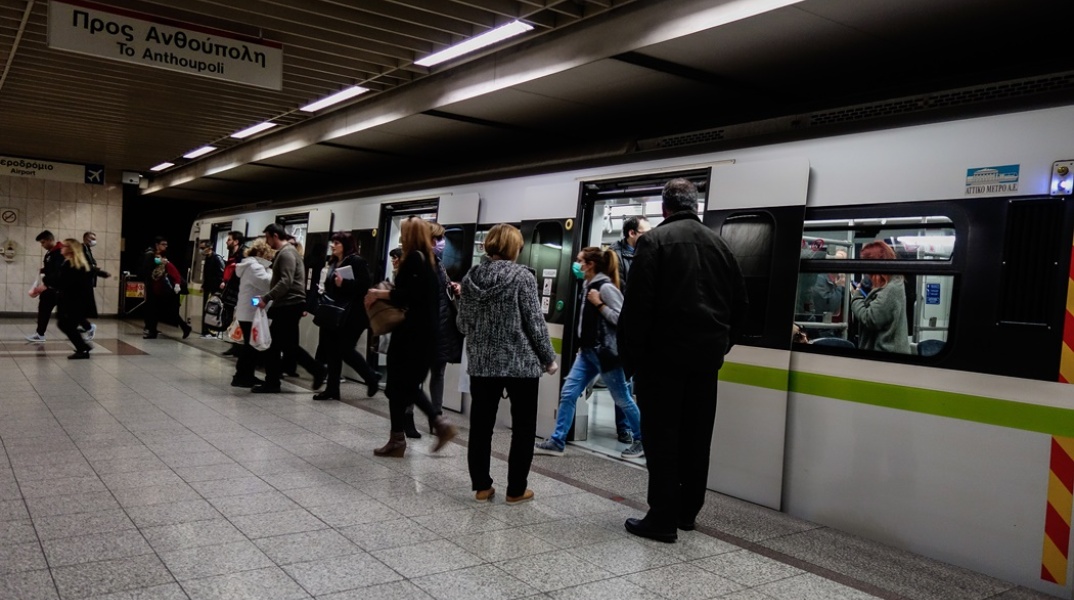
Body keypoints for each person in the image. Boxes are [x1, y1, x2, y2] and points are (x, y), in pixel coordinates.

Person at [617, 177, 748, 543]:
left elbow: (637, 308)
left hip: (662, 363)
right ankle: (687, 513)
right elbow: (742, 308)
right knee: (696, 438)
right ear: (695, 206)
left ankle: (661, 518)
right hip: (705, 364)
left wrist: (633, 360)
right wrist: (720, 346)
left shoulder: (653, 242)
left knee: (661, 439)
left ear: (664, 208)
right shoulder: (721, 246)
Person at [457, 224, 558, 505]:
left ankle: (481, 487)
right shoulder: (522, 277)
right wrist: (549, 358)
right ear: (514, 247)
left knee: (481, 427)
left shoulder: (471, 278)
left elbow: (463, 324)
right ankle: (515, 490)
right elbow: (535, 323)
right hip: (521, 366)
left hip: (483, 365)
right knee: (523, 428)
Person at [533, 246, 644, 460]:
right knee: (568, 393)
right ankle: (557, 441)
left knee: (622, 399)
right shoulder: (587, 285)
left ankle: (641, 440)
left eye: (580, 260)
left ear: (590, 264)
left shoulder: (606, 288)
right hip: (587, 353)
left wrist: (600, 304)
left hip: (607, 355)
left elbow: (623, 321)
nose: (577, 264)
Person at [364, 216, 457, 457]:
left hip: (411, 335)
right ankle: (398, 439)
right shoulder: (431, 262)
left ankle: (437, 422)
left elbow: (406, 296)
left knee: (401, 384)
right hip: (424, 335)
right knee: (398, 386)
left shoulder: (414, 259)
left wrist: (379, 293)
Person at [404, 223, 463, 438]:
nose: (441, 244)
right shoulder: (417, 262)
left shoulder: (439, 264)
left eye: (441, 239)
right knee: (415, 377)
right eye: (437, 239)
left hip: (441, 328)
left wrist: (454, 288)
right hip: (424, 328)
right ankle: (408, 416)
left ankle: (435, 417)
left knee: (438, 373)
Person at [251, 224, 326, 393]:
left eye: (268, 238)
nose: (267, 242)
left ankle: (275, 381)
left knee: (278, 345)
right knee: (285, 345)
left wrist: (266, 297)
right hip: (289, 304)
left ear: (275, 236)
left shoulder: (286, 253)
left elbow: (286, 281)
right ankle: (276, 380)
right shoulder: (288, 252)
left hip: (288, 304)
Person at [312, 231, 380, 401]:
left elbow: (364, 286)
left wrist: (345, 283)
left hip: (353, 315)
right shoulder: (334, 263)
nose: (333, 245)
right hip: (335, 313)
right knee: (333, 351)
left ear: (346, 245)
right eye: (332, 242)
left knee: (345, 349)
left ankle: (371, 377)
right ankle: (332, 389)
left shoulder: (356, 261)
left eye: (337, 243)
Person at [608, 215, 651, 444]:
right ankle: (627, 428)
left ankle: (637, 428)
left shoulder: (646, 252)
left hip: (639, 326)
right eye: (645, 232)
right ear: (631, 233)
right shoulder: (614, 256)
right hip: (620, 326)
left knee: (629, 383)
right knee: (623, 381)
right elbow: (619, 292)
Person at [849, 241, 910, 354]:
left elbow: (870, 319)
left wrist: (857, 295)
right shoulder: (887, 283)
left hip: (886, 354)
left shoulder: (892, 289)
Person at [231, 239, 274, 387]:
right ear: (263, 253)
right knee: (251, 347)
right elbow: (267, 283)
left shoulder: (250, 265)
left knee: (251, 346)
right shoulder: (254, 267)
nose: (270, 258)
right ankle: (241, 377)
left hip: (249, 312)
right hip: (250, 314)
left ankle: (245, 375)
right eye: (269, 255)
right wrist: (271, 270)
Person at [141, 236, 193, 340]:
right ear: (157, 245)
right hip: (155, 288)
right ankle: (152, 331)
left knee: (168, 311)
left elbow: (173, 271)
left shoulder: (162, 256)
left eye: (166, 245)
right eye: (163, 244)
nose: (165, 246)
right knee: (153, 310)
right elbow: (147, 269)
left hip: (163, 290)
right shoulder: (151, 255)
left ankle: (185, 327)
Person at [54, 239, 96, 359]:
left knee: (65, 324)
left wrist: (47, 281)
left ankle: (82, 349)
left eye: (64, 246)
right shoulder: (74, 264)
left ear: (71, 249)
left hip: (73, 302)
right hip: (75, 302)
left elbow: (63, 283)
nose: (61, 247)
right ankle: (83, 347)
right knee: (66, 324)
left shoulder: (71, 265)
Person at [25, 230, 65, 343]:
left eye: (43, 242)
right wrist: (43, 271)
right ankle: (40, 333)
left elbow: (58, 272)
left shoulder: (60, 252)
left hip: (59, 289)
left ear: (50, 240)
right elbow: (51, 269)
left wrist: (45, 285)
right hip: (50, 288)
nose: (42, 245)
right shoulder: (50, 252)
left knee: (67, 315)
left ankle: (88, 327)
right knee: (43, 310)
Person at [76, 231, 109, 342]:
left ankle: (87, 327)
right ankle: (85, 326)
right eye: (92, 238)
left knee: (77, 308)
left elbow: (89, 264)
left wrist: (95, 268)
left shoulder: (87, 249)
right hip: (83, 282)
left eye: (94, 238)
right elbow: (84, 264)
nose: (94, 240)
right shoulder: (82, 248)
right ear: (85, 238)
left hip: (85, 282)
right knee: (78, 307)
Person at [220, 231, 246, 356]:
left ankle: (237, 347)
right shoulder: (233, 255)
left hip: (237, 292)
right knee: (231, 319)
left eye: (229, 240)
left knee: (235, 319)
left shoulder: (241, 255)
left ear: (236, 242)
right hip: (232, 291)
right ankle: (235, 346)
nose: (227, 242)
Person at [199, 241, 226, 337]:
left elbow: (222, 272)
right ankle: (206, 330)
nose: (201, 250)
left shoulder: (217, 258)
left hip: (216, 288)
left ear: (209, 248)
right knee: (207, 309)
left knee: (213, 309)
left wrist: (222, 283)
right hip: (209, 287)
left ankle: (213, 331)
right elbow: (207, 274)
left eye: (203, 248)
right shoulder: (207, 258)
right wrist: (203, 285)